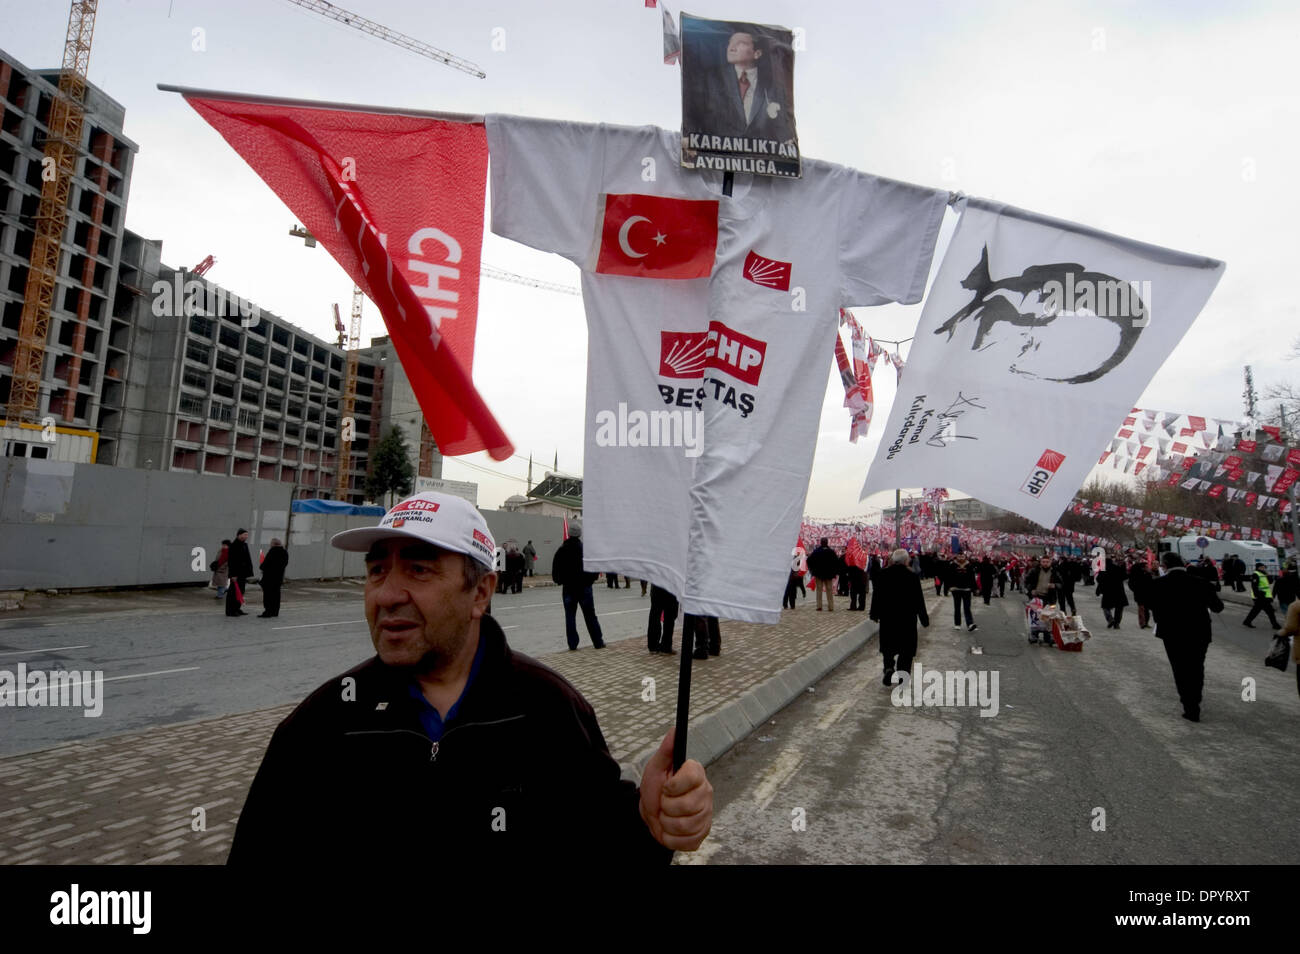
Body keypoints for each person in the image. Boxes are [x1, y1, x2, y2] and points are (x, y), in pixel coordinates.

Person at [228, 491, 711, 866]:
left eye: (418, 569)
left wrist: (651, 826)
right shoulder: (324, 724)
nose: (388, 594)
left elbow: (604, 854)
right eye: (377, 570)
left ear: (480, 592)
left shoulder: (547, 708)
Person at [1146, 551, 1224, 722]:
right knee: (1197, 667)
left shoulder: (1158, 584)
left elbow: (1150, 605)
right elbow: (1218, 607)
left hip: (1172, 633)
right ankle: (1195, 699)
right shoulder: (1202, 583)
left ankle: (1189, 706)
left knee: (1180, 668)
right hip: (1199, 632)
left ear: (1164, 566)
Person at [683, 27, 793, 145]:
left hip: (760, 159)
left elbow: (782, 128)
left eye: (740, 43)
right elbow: (693, 116)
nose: (731, 48)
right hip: (716, 157)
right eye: (730, 42)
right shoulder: (710, 79)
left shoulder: (773, 87)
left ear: (757, 53)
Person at [869, 549, 930, 686]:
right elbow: (919, 599)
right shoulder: (912, 576)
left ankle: (889, 668)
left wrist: (874, 614)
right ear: (906, 560)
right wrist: (924, 618)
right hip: (907, 619)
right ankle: (903, 675)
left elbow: (877, 596)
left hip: (888, 618)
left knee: (888, 647)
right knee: (906, 650)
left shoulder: (883, 574)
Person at [551, 526, 606, 650]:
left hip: (568, 588)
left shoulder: (561, 550)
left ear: (569, 534)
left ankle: (572, 644)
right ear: (579, 535)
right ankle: (598, 642)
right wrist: (591, 580)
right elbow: (594, 568)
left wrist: (560, 581)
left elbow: (556, 570)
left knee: (570, 616)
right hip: (584, 588)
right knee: (590, 615)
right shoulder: (585, 550)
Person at [1025, 555, 1064, 642]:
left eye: (1047, 562)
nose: (1045, 564)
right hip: (1037, 597)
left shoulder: (1055, 572)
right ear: (1041, 562)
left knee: (1048, 617)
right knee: (1035, 617)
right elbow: (1027, 581)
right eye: (1043, 562)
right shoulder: (1035, 571)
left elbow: (1061, 584)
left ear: (1050, 562)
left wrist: (1055, 585)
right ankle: (1034, 635)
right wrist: (1031, 590)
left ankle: (1048, 635)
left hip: (1050, 598)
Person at [1243, 561, 1281, 629]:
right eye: (1262, 567)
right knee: (1270, 611)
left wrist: (1268, 574)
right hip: (1260, 596)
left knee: (1256, 610)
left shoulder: (1263, 574)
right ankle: (1275, 625)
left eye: (1264, 567)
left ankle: (1247, 621)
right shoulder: (1255, 574)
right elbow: (1254, 586)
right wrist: (1257, 595)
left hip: (1265, 596)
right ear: (1258, 567)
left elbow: (1270, 582)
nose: (1264, 568)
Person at [807, 537, 841, 612]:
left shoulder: (816, 551)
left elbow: (809, 560)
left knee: (819, 590)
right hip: (829, 575)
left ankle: (819, 606)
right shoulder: (831, 552)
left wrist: (813, 570)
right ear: (827, 542)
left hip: (818, 574)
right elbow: (836, 563)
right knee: (829, 590)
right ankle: (831, 606)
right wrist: (834, 572)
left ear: (821, 542)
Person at [1094, 557, 1129, 630]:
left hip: (1108, 592)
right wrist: (1123, 567)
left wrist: (1098, 590)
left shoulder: (1103, 570)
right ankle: (1117, 623)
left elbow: (1099, 580)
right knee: (1119, 608)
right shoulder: (1118, 568)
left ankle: (1110, 620)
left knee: (1105, 607)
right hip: (1119, 591)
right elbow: (1125, 576)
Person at [257, 538, 289, 618]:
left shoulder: (272, 552)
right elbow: (285, 564)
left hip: (269, 578)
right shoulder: (285, 552)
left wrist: (261, 567)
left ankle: (268, 611)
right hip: (278, 577)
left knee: (268, 595)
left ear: (273, 544)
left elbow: (265, 564)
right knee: (276, 595)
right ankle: (275, 611)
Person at [226, 529, 253, 617]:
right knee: (233, 592)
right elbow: (231, 561)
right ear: (239, 535)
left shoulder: (244, 545)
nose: (246, 536)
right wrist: (233, 574)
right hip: (236, 574)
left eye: (247, 535)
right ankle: (230, 611)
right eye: (244, 535)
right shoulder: (234, 546)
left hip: (242, 573)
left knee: (241, 591)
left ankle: (237, 608)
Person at [946, 554, 977, 632]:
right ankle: (957, 624)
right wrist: (949, 587)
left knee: (967, 607)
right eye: (959, 556)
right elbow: (949, 576)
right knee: (957, 607)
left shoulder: (969, 566)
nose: (961, 558)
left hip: (966, 589)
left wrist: (974, 589)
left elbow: (972, 577)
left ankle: (970, 624)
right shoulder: (952, 565)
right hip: (956, 589)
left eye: (962, 556)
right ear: (956, 557)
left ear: (965, 557)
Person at [647, 585, 679, 654]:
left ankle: (653, 646)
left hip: (656, 585)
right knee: (669, 617)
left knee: (654, 615)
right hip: (670, 587)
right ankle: (666, 647)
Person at [1128, 560, 1152, 629]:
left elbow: (1151, 583)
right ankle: (1142, 623)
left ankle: (1146, 622)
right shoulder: (1136, 574)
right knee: (1141, 608)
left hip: (1147, 594)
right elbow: (1131, 584)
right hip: (1139, 594)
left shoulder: (1148, 574)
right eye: (1146, 567)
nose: (1148, 568)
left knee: (1146, 609)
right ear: (1143, 568)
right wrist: (1135, 590)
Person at [784, 543, 807, 610]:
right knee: (792, 592)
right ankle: (792, 605)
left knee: (787, 591)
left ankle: (785, 605)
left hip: (789, 577)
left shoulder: (789, 558)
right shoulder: (796, 559)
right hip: (793, 577)